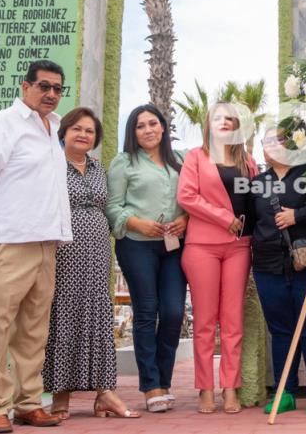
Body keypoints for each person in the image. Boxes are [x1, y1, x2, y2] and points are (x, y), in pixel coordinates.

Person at [0, 60, 72, 432]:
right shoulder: (3, 124)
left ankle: (28, 403)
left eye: (58, 88)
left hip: (47, 245)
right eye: (44, 86)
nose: (51, 94)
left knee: (33, 332)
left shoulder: (54, 128)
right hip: (9, 244)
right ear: (25, 87)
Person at [43, 107, 138, 420]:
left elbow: (110, 205)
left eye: (89, 131)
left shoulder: (98, 169)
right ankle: (60, 396)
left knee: (98, 313)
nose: (83, 134)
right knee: (64, 313)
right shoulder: (51, 165)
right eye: (77, 129)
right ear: (64, 132)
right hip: (63, 249)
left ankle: (104, 393)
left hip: (97, 250)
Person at [251, 128, 306, 416]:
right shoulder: (255, 184)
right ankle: (285, 391)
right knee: (280, 331)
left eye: (277, 140)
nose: (270, 146)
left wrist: (296, 215)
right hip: (268, 266)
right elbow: (247, 223)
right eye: (265, 142)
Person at [106, 104, 188, 413]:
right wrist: (136, 222)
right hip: (136, 245)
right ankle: (151, 386)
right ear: (133, 132)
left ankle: (165, 382)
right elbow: (113, 206)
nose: (148, 130)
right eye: (140, 126)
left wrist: (187, 219)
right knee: (146, 312)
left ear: (164, 127)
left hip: (173, 247)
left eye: (153, 123)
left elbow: (194, 197)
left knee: (172, 313)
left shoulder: (180, 160)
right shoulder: (123, 162)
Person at [178, 102, 258, 414]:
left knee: (233, 321)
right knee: (205, 323)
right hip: (202, 246)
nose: (224, 122)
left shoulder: (248, 162)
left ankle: (230, 387)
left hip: (239, 248)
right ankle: (205, 388)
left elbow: (254, 202)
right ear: (208, 124)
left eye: (230, 118)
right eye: (218, 117)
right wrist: (223, 217)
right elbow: (186, 196)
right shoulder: (195, 157)